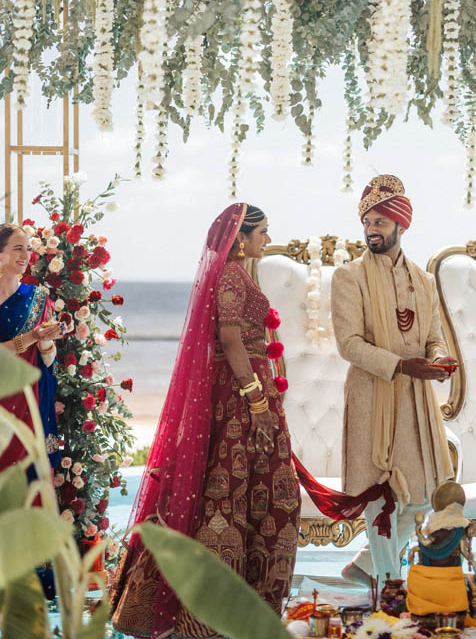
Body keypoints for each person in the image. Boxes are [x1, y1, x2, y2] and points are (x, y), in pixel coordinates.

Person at [111, 204, 299, 638]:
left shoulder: (235, 272)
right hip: (240, 397)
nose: (267, 240)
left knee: (243, 491)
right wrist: (255, 401)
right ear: (240, 237)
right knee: (236, 495)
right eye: (263, 232)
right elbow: (231, 340)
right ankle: (211, 614)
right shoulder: (232, 274)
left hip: (245, 392)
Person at [331, 174, 456, 587]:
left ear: (401, 225)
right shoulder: (349, 277)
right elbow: (349, 344)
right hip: (374, 397)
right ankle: (386, 586)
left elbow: (434, 336)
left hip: (416, 402)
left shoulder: (422, 280)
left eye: (380, 223)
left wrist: (438, 360)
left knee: (421, 498)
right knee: (380, 497)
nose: (371, 230)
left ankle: (364, 569)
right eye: (367, 222)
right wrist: (404, 366)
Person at [0, 223, 65, 477]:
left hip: (31, 401)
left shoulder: (38, 298)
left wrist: (46, 340)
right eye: (17, 249)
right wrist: (30, 338)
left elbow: (48, 360)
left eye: (27, 249)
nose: (26, 256)